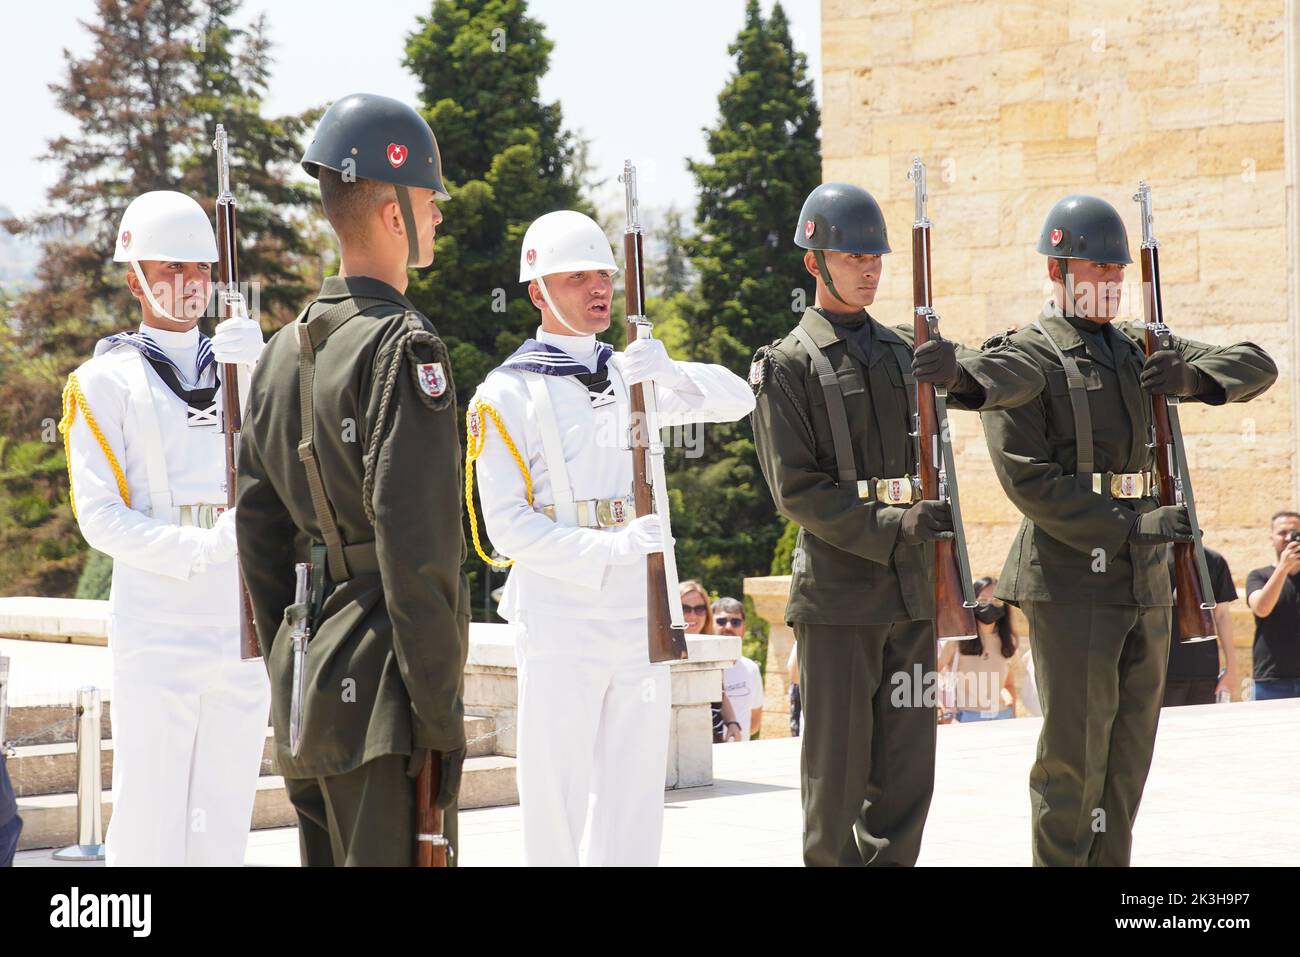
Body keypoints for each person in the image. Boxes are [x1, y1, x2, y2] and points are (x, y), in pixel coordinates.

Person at [749, 182, 1046, 867]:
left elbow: (1024, 379)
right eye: (853, 255)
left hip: (912, 595)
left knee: (908, 777)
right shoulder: (786, 363)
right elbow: (797, 491)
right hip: (839, 597)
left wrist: (962, 369)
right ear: (814, 262)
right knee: (835, 777)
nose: (870, 267)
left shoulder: (908, 350)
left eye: (876, 255)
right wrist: (893, 523)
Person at [981, 194, 1277, 866]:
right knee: (1072, 758)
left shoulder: (1141, 345)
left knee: (1127, 756)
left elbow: (1258, 363)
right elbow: (1030, 480)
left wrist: (1191, 374)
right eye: (1097, 270)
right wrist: (1133, 522)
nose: (1111, 283)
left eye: (1119, 272)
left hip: (1143, 578)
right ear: (1057, 271)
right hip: (1069, 573)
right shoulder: (1024, 356)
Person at [466, 209, 754, 866]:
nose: (598, 288)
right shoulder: (506, 392)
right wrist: (608, 549)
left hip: (638, 603)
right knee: (555, 783)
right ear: (537, 290)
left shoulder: (631, 371)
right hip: (563, 605)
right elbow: (507, 526)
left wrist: (671, 371)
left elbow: (741, 398)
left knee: (634, 787)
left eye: (604, 274)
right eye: (577, 278)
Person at [236, 93, 469, 866]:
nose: (438, 218)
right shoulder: (406, 346)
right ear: (394, 213)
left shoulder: (276, 356)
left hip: (309, 690)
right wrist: (439, 718)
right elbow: (420, 548)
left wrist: (288, 666)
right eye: (430, 203)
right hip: (384, 702)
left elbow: (260, 536)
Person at [58, 190, 271, 866]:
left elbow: (301, 459)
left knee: (224, 821)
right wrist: (200, 546)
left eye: (201, 269)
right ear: (135, 278)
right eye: (170, 267)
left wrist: (269, 373)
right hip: (160, 624)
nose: (189, 284)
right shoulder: (102, 381)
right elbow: (100, 516)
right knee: (151, 823)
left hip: (239, 622)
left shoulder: (242, 367)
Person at [1163, 545, 1238, 706]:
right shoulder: (1155, 556)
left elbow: (1222, 615)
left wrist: (1231, 668)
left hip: (1205, 671)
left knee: (1202, 728)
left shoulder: (1214, 560)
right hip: (1163, 671)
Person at [939, 577, 1017, 722]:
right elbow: (931, 674)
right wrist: (943, 709)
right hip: (966, 719)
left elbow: (1008, 684)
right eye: (982, 600)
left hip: (1002, 717)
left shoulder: (1008, 642)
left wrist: (1012, 710)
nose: (990, 605)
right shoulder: (957, 640)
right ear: (971, 603)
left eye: (996, 600)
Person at [1245, 511, 1300, 700]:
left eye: (1294, 533)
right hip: (1271, 679)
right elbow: (1261, 609)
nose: (1287, 538)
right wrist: (1283, 568)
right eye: (1282, 532)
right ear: (1272, 538)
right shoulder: (1258, 576)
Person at [680, 580, 742, 743]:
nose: (692, 616)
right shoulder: (662, 652)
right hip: (677, 736)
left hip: (713, 735)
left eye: (699, 609)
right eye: (685, 608)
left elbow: (719, 692)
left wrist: (733, 723)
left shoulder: (713, 648)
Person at [712, 597, 764, 740]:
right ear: (710, 624)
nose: (728, 627)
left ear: (743, 628)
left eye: (735, 622)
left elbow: (755, 722)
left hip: (740, 753)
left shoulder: (751, 668)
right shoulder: (702, 668)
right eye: (721, 621)